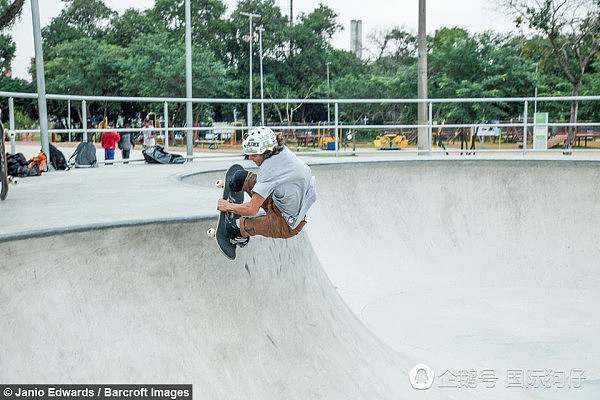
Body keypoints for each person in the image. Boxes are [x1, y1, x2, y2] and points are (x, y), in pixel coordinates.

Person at [216, 126, 317, 247]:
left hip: (285, 224)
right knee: (240, 178)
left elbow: (252, 210)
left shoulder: (268, 170)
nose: (250, 158)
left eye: (254, 154)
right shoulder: (281, 150)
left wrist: (228, 206)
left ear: (265, 151)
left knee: (233, 227)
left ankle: (241, 238)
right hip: (280, 202)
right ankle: (240, 201)